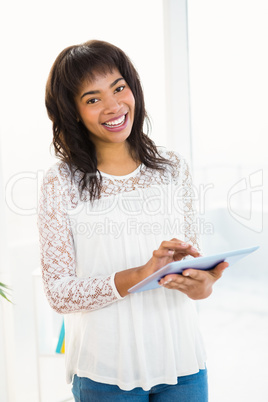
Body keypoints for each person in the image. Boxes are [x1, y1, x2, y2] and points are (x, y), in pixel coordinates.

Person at [38, 39, 228, 402]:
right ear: (72, 111)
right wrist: (142, 274)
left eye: (119, 88)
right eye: (93, 99)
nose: (113, 106)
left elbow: (188, 270)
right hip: (105, 373)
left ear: (133, 89)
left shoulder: (173, 168)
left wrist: (202, 285)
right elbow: (59, 293)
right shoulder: (60, 182)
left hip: (183, 365)